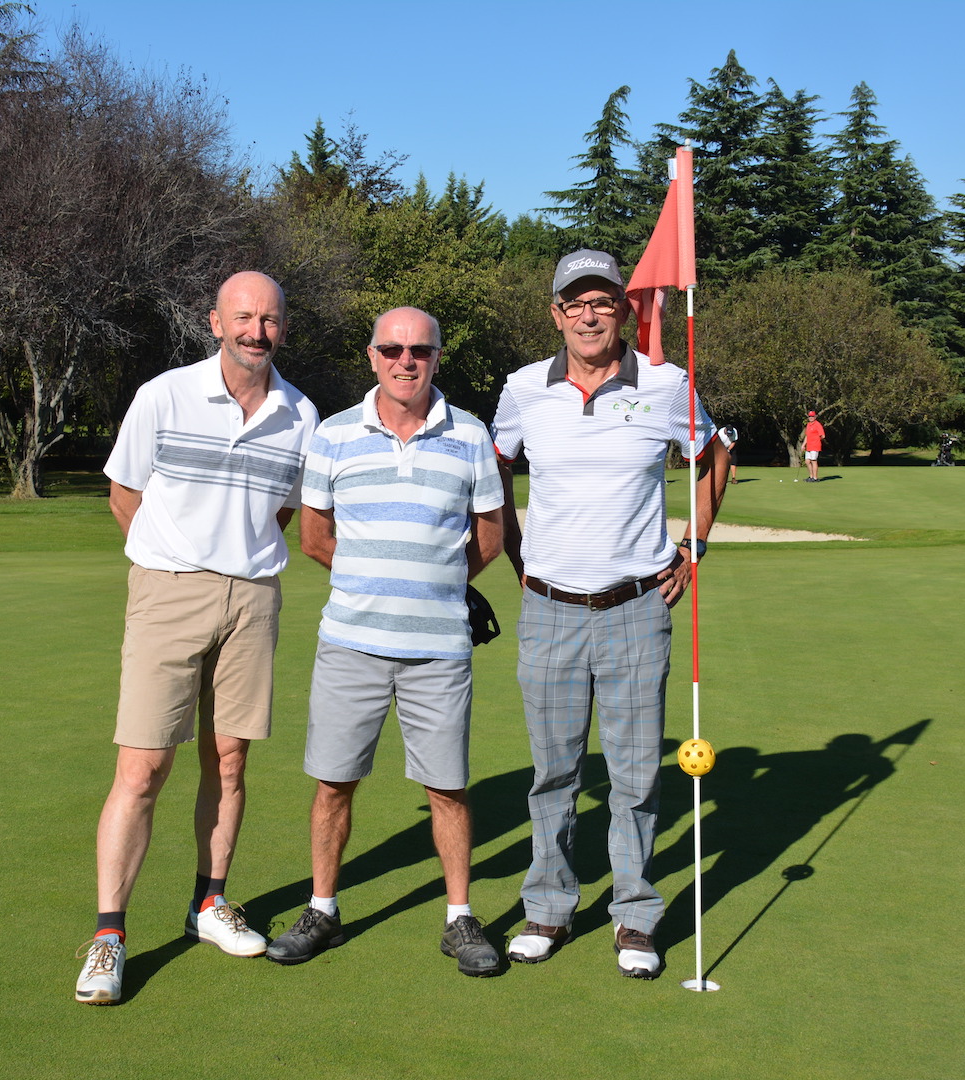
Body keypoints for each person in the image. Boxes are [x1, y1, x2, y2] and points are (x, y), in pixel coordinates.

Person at [75, 271, 320, 1005]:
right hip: (168, 589)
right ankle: (109, 936)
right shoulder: (164, 395)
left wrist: (231, 566)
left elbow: (280, 513)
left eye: (269, 319)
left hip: (252, 597)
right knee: (144, 767)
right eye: (243, 317)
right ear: (214, 322)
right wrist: (171, 565)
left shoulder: (300, 413)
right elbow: (125, 495)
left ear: (282, 326)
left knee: (230, 759)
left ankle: (208, 903)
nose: (256, 331)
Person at [491, 249, 728, 980]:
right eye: (574, 303)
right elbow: (492, 470)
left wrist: (693, 546)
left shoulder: (664, 384)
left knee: (633, 776)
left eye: (602, 302)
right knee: (553, 773)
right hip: (549, 607)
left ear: (623, 310)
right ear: (556, 312)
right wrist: (515, 555)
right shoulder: (525, 388)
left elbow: (714, 456)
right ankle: (549, 908)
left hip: (635, 607)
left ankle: (634, 917)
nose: (588, 314)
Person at [266, 307, 506, 976]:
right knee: (334, 783)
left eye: (421, 350)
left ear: (436, 357)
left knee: (448, 788)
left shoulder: (471, 436)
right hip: (351, 643)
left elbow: (489, 533)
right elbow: (314, 536)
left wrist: (434, 583)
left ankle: (459, 919)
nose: (407, 360)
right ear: (372, 356)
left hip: (439, 648)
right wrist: (376, 581)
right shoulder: (336, 435)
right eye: (393, 349)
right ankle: (323, 908)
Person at [801, 410, 826, 481]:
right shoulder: (808, 424)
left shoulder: (817, 424)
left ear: (815, 417)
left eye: (812, 416)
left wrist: (817, 440)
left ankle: (815, 478)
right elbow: (807, 436)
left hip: (815, 446)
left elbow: (823, 435)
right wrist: (803, 445)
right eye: (809, 416)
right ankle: (811, 476)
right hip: (808, 446)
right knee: (807, 461)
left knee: (813, 461)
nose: (811, 417)